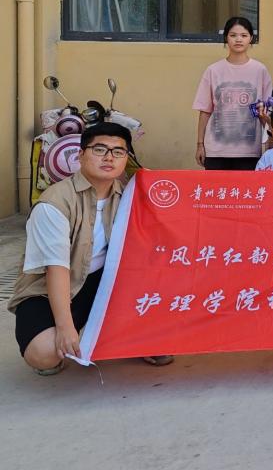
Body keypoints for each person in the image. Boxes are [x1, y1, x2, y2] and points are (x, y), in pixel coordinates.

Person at [10, 122, 173, 374]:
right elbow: (56, 269)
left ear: (126, 158)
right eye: (99, 149)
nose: (109, 157)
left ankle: (123, 334)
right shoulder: (54, 203)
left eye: (118, 151)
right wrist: (65, 327)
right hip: (51, 288)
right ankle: (80, 329)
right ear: (80, 155)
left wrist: (153, 183)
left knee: (162, 338)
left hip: (104, 281)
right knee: (45, 354)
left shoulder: (129, 195)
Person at [193, 15, 272, 171]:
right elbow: (205, 111)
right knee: (216, 187)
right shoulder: (213, 70)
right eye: (233, 35)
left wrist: (270, 144)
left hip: (249, 150)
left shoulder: (260, 70)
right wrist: (200, 144)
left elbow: (266, 112)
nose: (238, 39)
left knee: (247, 187)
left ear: (251, 38)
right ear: (226, 38)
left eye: (244, 35)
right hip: (216, 150)